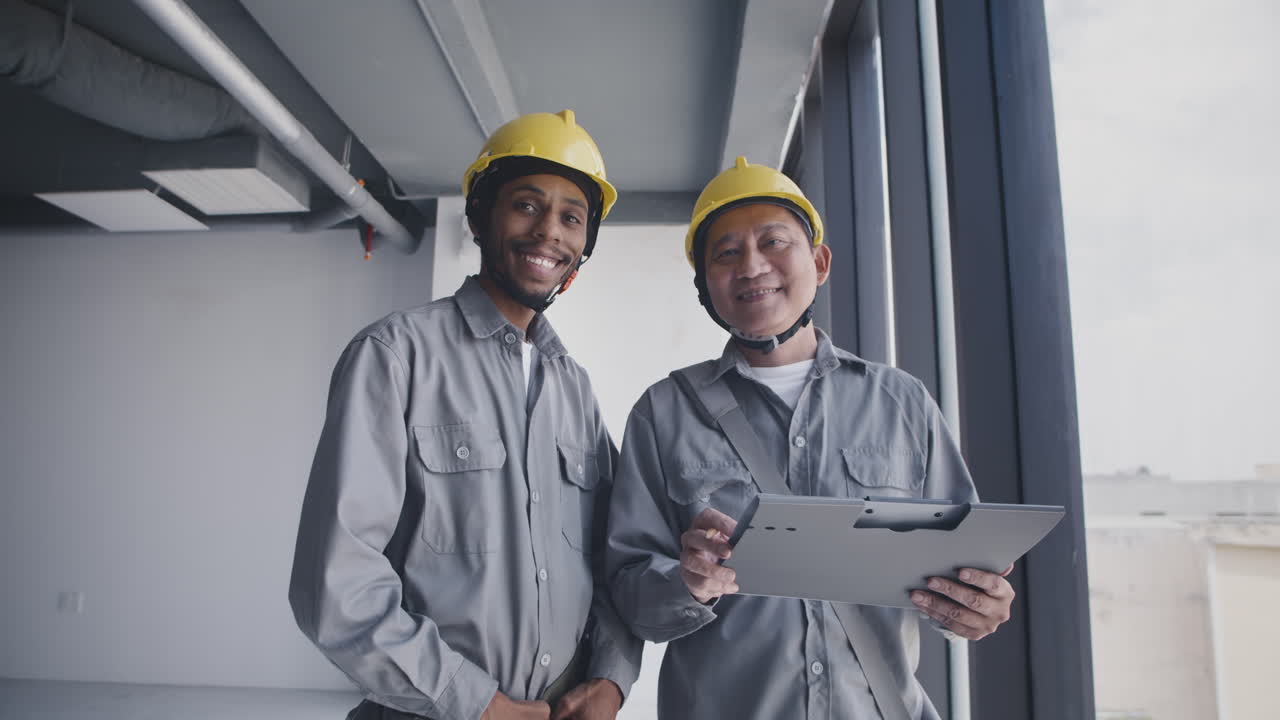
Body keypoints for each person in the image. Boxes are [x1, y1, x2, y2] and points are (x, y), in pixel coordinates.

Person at [605, 157, 1015, 719]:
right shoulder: (664, 412)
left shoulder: (901, 402)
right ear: (704, 286)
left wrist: (976, 608)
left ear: (819, 262)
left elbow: (962, 569)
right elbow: (630, 598)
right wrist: (687, 583)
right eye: (725, 253)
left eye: (774, 242)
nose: (752, 266)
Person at [289, 110, 641, 720]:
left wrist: (610, 677)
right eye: (527, 205)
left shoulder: (575, 388)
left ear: (584, 246)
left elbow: (610, 562)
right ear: (480, 216)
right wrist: (474, 703)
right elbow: (337, 586)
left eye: (571, 217)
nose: (549, 232)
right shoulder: (396, 357)